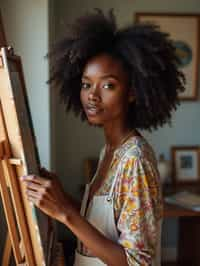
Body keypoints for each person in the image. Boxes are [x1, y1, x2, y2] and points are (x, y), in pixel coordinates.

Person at [21, 9, 185, 266]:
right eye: (87, 84)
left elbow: (137, 262)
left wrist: (65, 212)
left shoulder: (135, 160)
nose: (92, 96)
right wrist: (62, 200)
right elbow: (105, 228)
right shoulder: (109, 150)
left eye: (107, 85)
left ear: (132, 92)